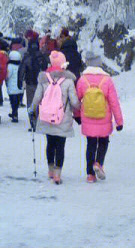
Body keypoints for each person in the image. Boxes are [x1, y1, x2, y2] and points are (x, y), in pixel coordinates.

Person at [28, 51, 80, 183]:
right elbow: (74, 102)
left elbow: (37, 98)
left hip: (46, 117)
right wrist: (80, 107)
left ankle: (50, 170)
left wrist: (32, 109)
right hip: (62, 119)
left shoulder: (44, 79)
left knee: (50, 144)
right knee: (60, 146)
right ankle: (57, 175)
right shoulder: (68, 81)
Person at [75, 57, 123, 182]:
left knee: (90, 145)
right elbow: (114, 103)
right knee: (103, 142)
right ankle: (98, 163)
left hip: (88, 116)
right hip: (103, 117)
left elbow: (76, 99)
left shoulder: (82, 80)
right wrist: (119, 121)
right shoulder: (107, 80)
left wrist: (77, 115)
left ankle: (90, 175)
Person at [21, 31, 43, 130]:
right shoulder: (41, 56)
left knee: (30, 102)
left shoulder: (27, 56)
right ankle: (38, 121)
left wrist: (19, 80)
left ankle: (33, 122)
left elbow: (22, 69)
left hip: (30, 82)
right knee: (39, 101)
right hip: (40, 82)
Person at [6, 41, 24, 122]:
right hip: (19, 87)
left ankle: (14, 114)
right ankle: (14, 113)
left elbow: (8, 76)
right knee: (16, 102)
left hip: (12, 87)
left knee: (12, 102)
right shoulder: (20, 65)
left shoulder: (10, 66)